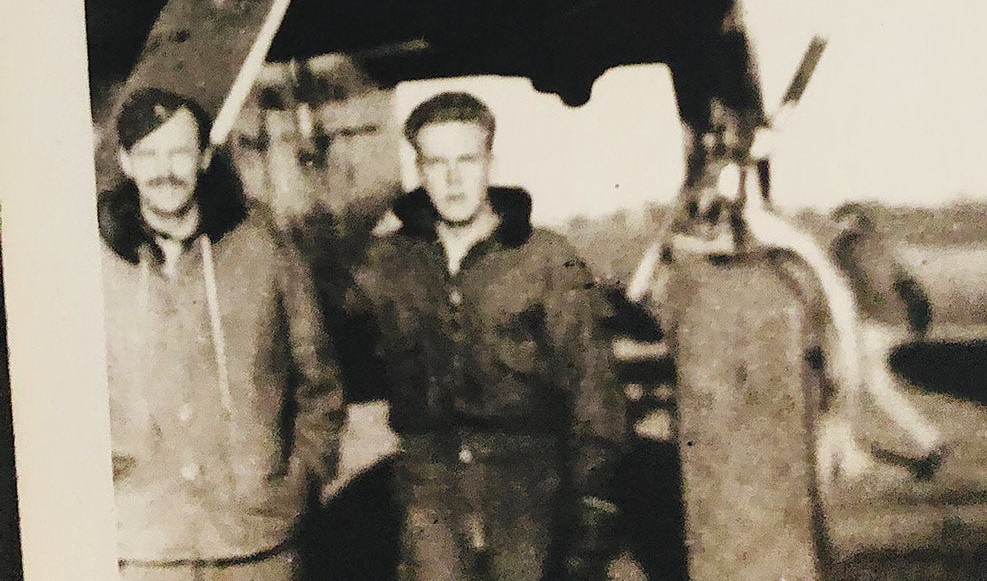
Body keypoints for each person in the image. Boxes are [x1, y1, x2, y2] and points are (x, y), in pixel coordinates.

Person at [355, 90, 628, 581]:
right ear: (418, 169)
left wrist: (590, 513)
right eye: (436, 162)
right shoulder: (388, 263)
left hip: (529, 493)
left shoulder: (545, 260)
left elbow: (595, 396)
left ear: (490, 163)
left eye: (467, 159)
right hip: (430, 496)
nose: (453, 178)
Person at [98, 88, 345, 577]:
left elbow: (319, 380)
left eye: (179, 151)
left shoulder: (263, 247)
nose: (165, 170)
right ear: (126, 162)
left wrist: (298, 484)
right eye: (147, 154)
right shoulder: (95, 264)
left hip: (258, 540)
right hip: (147, 543)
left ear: (205, 157)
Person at [829, 202, 945, 475]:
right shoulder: (882, 247)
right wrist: (919, 322)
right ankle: (929, 439)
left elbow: (842, 290)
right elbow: (907, 284)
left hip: (868, 325)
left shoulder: (845, 250)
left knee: (849, 384)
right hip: (892, 324)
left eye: (840, 222)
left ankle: (843, 455)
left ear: (851, 223)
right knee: (875, 386)